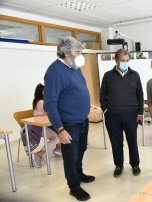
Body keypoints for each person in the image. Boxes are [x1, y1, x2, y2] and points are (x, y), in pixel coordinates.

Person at [44, 37, 94, 201]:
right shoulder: (55, 71)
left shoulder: (74, 67)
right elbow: (50, 104)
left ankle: (78, 174)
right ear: (66, 53)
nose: (81, 55)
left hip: (82, 120)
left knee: (81, 149)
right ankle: (74, 187)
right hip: (68, 124)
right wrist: (60, 129)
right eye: (77, 52)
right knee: (70, 156)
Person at [100, 49, 144, 178]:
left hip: (131, 114)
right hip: (112, 116)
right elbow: (102, 94)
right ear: (116, 61)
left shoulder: (134, 74)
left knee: (132, 141)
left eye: (127, 60)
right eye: (122, 60)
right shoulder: (108, 75)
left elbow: (140, 94)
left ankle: (135, 164)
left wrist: (140, 112)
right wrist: (105, 110)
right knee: (116, 142)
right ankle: (118, 165)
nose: (125, 63)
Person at [31, 83, 61, 168]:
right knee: (57, 136)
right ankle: (38, 154)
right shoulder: (41, 102)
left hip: (42, 126)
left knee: (58, 132)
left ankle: (58, 149)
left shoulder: (37, 100)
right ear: (43, 93)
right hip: (39, 128)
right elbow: (51, 111)